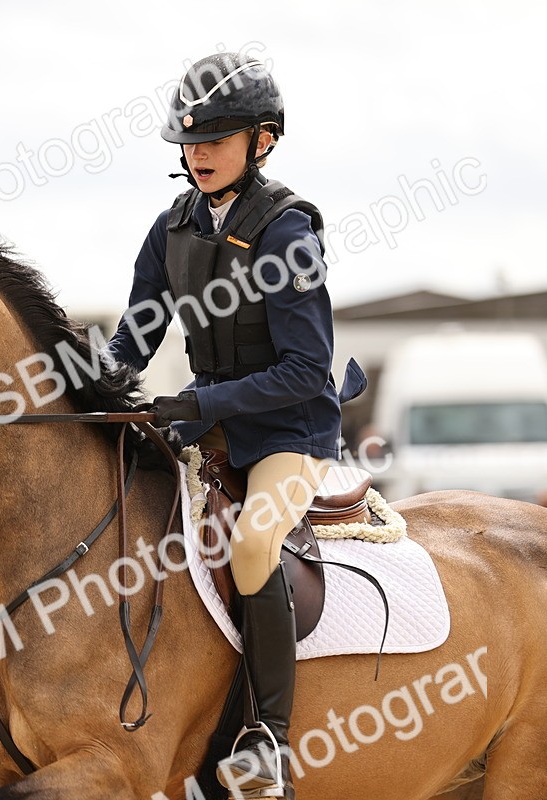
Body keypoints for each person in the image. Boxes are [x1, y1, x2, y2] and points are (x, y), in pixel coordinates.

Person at [107, 52, 365, 798]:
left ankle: (268, 743)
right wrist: (82, 385)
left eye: (217, 138)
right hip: (208, 424)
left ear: (264, 141)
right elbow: (133, 338)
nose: (198, 154)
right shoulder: (172, 228)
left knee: (253, 543)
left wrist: (202, 405)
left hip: (289, 435)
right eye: (189, 142)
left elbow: (304, 371)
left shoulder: (288, 234)